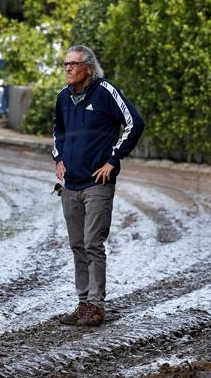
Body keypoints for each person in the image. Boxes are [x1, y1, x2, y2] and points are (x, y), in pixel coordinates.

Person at [53, 45, 145, 327]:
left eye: (73, 64)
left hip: (97, 183)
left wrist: (113, 160)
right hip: (70, 184)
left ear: (88, 69)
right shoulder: (63, 97)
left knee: (93, 243)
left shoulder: (105, 92)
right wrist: (58, 158)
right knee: (77, 245)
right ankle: (83, 305)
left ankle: (96, 306)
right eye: (65, 64)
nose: (68, 68)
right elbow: (58, 130)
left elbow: (134, 123)